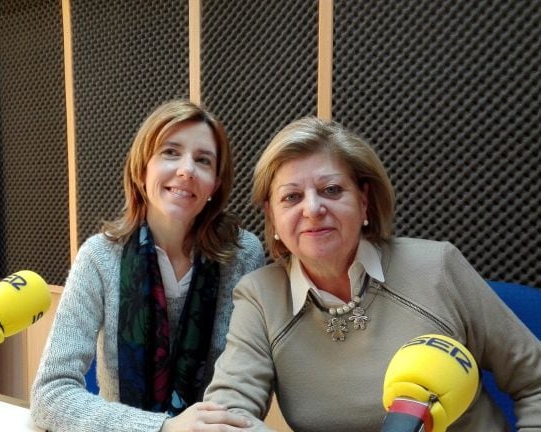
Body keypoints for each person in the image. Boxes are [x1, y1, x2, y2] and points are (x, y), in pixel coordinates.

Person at [203, 116, 541, 431]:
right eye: (291, 197)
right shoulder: (259, 296)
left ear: (364, 201)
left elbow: (535, 380)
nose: (312, 208)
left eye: (331, 190)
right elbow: (227, 414)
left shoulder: (437, 266)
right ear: (272, 216)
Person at [30, 99, 265, 432]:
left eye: (203, 160)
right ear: (142, 169)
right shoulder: (99, 257)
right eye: (171, 152)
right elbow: (49, 394)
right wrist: (162, 429)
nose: (186, 169)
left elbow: (247, 384)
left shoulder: (243, 255)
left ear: (215, 185)